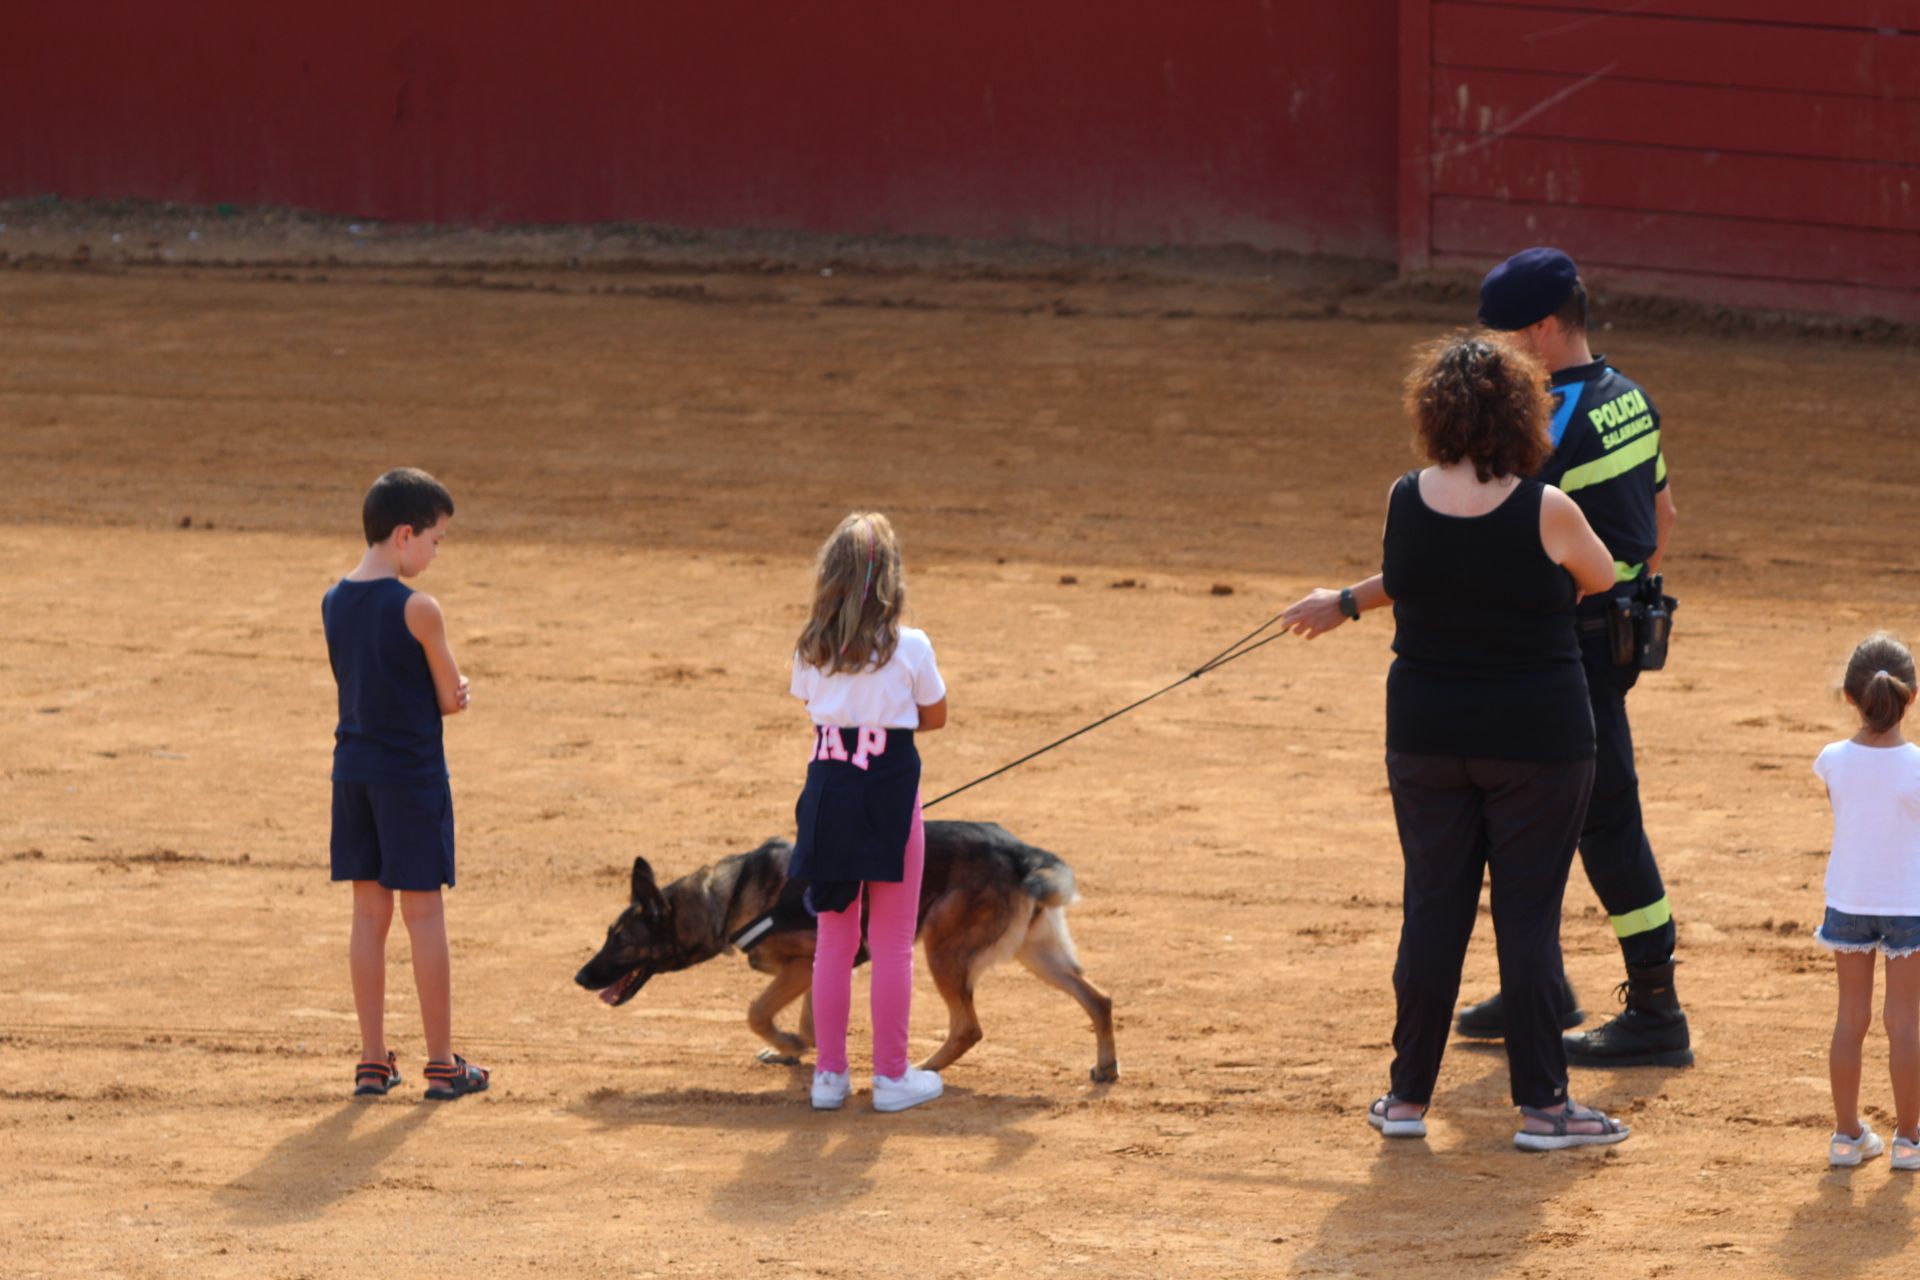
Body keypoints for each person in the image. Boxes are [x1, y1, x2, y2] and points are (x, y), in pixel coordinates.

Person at [1288, 248, 1693, 1068]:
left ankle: (1657, 1007)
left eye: (1508, 333)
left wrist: (1344, 602)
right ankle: (1535, 983)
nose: (1501, 351)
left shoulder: (1550, 420)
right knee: (1552, 822)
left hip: (1559, 654)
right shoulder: (1629, 400)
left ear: (1543, 328)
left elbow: (1476, 535)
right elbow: (1665, 517)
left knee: (1604, 824)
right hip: (1609, 636)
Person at [1282, 332, 1630, 1149]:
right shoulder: (1548, 506)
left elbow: (1407, 578)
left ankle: (1406, 1100)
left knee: (1433, 912)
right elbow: (1602, 576)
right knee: (1527, 921)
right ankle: (1545, 1107)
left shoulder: (1406, 496)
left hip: (1429, 736)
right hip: (1537, 741)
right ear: (1520, 415)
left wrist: (1341, 600)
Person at [322, 467, 488, 1101]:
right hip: (411, 778)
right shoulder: (419, 608)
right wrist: (458, 690)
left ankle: (372, 1062)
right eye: (436, 539)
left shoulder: (333, 600)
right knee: (423, 914)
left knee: (368, 915)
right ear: (404, 534)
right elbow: (449, 697)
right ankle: (443, 1065)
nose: (436, 551)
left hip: (353, 774)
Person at [789, 512, 949, 1114]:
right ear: (892, 581)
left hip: (829, 792)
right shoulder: (911, 645)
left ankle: (828, 1077)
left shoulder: (811, 647)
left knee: (833, 938)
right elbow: (934, 716)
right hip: (887, 793)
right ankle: (890, 1078)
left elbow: (811, 705)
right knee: (890, 943)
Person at [1815, 633, 1920, 1170]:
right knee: (1905, 1023)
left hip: (1849, 899)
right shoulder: (1918, 767)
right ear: (1912, 695)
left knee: (1849, 1019)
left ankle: (1846, 1136)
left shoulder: (1831, 759)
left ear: (1850, 697)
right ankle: (1909, 1140)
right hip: (1908, 904)